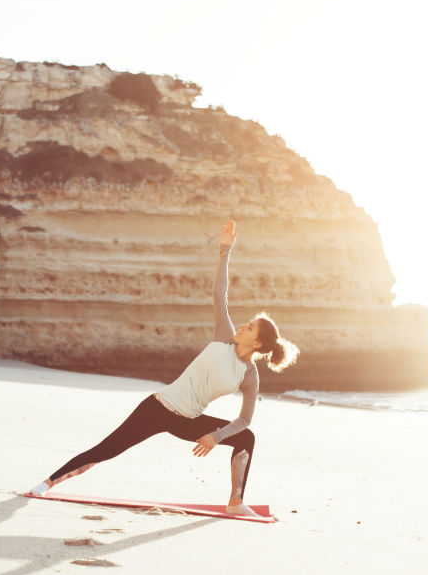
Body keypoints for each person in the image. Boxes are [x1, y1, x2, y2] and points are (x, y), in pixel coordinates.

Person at [27, 219, 299, 516]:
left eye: (250, 327)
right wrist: (224, 251)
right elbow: (219, 294)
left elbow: (245, 419)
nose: (244, 325)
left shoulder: (249, 375)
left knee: (247, 438)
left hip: (188, 421)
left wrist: (215, 436)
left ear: (258, 344)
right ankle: (48, 482)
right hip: (157, 408)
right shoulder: (224, 336)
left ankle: (235, 502)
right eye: (247, 322)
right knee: (108, 449)